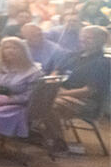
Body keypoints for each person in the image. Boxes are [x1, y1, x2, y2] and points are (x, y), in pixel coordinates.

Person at [40, 25, 111, 155]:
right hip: (60, 92)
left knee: (48, 105)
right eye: (82, 36)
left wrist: (60, 93)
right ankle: (37, 135)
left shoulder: (103, 63)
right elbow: (56, 72)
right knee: (32, 98)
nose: (83, 39)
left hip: (86, 101)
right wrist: (53, 84)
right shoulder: (71, 55)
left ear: (101, 41)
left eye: (89, 37)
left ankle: (59, 143)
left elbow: (88, 91)